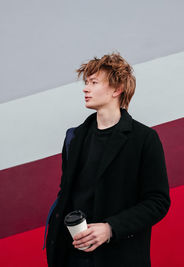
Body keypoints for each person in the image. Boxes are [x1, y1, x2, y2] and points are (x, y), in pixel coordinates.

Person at [45, 52, 170, 267]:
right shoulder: (73, 138)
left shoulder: (144, 139)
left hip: (119, 256)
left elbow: (157, 202)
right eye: (86, 83)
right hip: (72, 257)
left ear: (117, 89)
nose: (85, 88)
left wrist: (110, 228)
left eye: (94, 82)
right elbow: (67, 194)